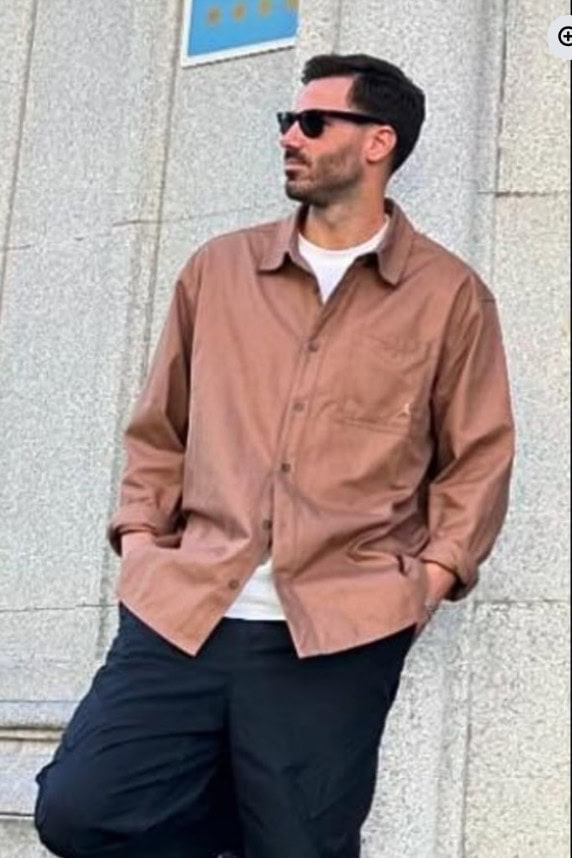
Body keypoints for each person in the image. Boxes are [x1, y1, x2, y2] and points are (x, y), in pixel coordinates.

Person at [34, 53, 514, 858]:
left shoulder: (448, 296)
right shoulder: (218, 271)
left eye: (313, 123)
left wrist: (428, 581)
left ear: (379, 142)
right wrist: (142, 543)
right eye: (288, 122)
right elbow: (160, 428)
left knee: (299, 844)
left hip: (337, 629)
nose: (290, 137)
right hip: (184, 608)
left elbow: (478, 457)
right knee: (82, 811)